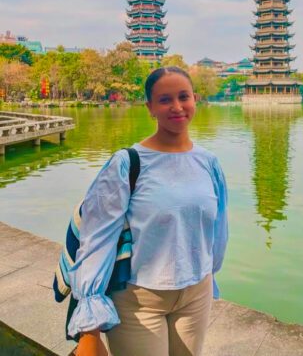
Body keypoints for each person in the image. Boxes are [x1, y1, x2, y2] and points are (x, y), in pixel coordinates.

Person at [68, 66, 229, 356]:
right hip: (139, 301)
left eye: (184, 97)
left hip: (196, 294)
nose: (177, 107)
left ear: (196, 99)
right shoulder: (126, 164)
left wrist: (209, 273)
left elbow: (218, 228)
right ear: (150, 108)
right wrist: (89, 322)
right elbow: (96, 239)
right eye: (165, 100)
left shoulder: (209, 163)